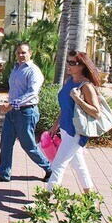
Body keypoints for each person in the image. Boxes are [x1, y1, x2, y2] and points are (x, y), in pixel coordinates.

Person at [0, 43, 51, 182]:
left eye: (23, 53)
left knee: (28, 145)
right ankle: (3, 173)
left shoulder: (34, 71)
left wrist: (12, 104)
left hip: (26, 112)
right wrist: (8, 102)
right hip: (12, 112)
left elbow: (32, 93)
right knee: (6, 142)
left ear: (30, 53)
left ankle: (49, 168)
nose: (20, 55)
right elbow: (14, 90)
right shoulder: (16, 69)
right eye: (18, 53)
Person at [45, 51, 101, 193]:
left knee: (58, 165)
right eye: (67, 61)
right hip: (65, 128)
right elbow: (65, 107)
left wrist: (78, 99)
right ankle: (91, 199)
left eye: (72, 63)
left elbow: (96, 112)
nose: (68, 66)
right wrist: (55, 125)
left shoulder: (86, 86)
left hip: (75, 132)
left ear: (82, 66)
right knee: (79, 166)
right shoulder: (69, 81)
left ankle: (45, 202)